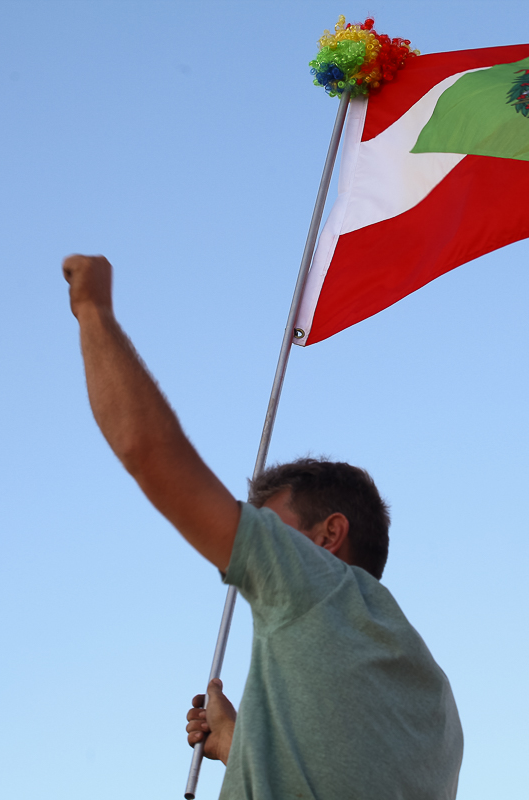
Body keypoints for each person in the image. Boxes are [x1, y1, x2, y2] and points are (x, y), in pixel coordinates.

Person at [63, 254, 463, 799]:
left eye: (269, 525)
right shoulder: (433, 700)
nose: (252, 534)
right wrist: (240, 745)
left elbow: (148, 451)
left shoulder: (314, 586)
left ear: (328, 536)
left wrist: (93, 313)